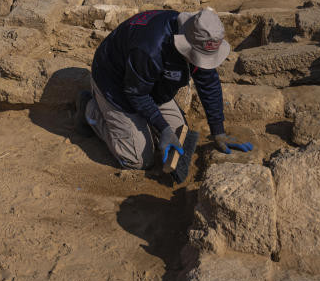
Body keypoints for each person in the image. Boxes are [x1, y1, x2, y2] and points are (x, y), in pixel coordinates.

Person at [76, 9, 253, 171]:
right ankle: (90, 109)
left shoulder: (198, 35)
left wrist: (218, 130)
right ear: (187, 44)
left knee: (180, 137)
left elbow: (209, 83)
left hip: (152, 83)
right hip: (115, 84)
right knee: (137, 159)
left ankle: (138, 124)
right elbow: (135, 93)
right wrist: (163, 127)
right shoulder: (150, 48)